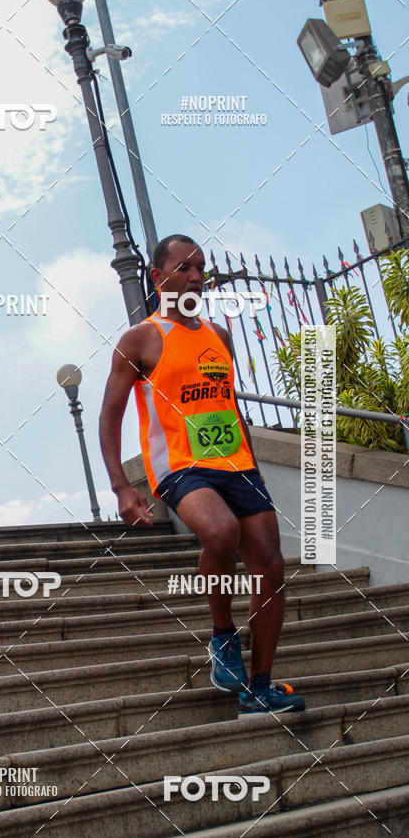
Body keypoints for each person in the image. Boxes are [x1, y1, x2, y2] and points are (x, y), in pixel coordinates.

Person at [99, 234, 305, 715]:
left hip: (236, 463)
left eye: (200, 268)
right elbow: (109, 416)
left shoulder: (219, 335)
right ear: (157, 277)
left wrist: (254, 469)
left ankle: (259, 686)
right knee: (221, 531)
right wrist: (122, 486)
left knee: (271, 566)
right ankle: (221, 635)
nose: (195, 277)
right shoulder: (141, 339)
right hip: (179, 466)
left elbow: (231, 405)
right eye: (184, 267)